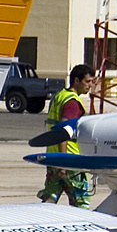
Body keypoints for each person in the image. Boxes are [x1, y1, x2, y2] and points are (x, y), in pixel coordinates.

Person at [38, 64, 96, 207]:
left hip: (53, 158)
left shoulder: (60, 96)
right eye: (87, 81)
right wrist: (63, 162)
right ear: (76, 80)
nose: (90, 86)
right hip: (69, 161)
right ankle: (82, 229)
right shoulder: (72, 102)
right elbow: (63, 131)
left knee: (50, 199)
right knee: (81, 203)